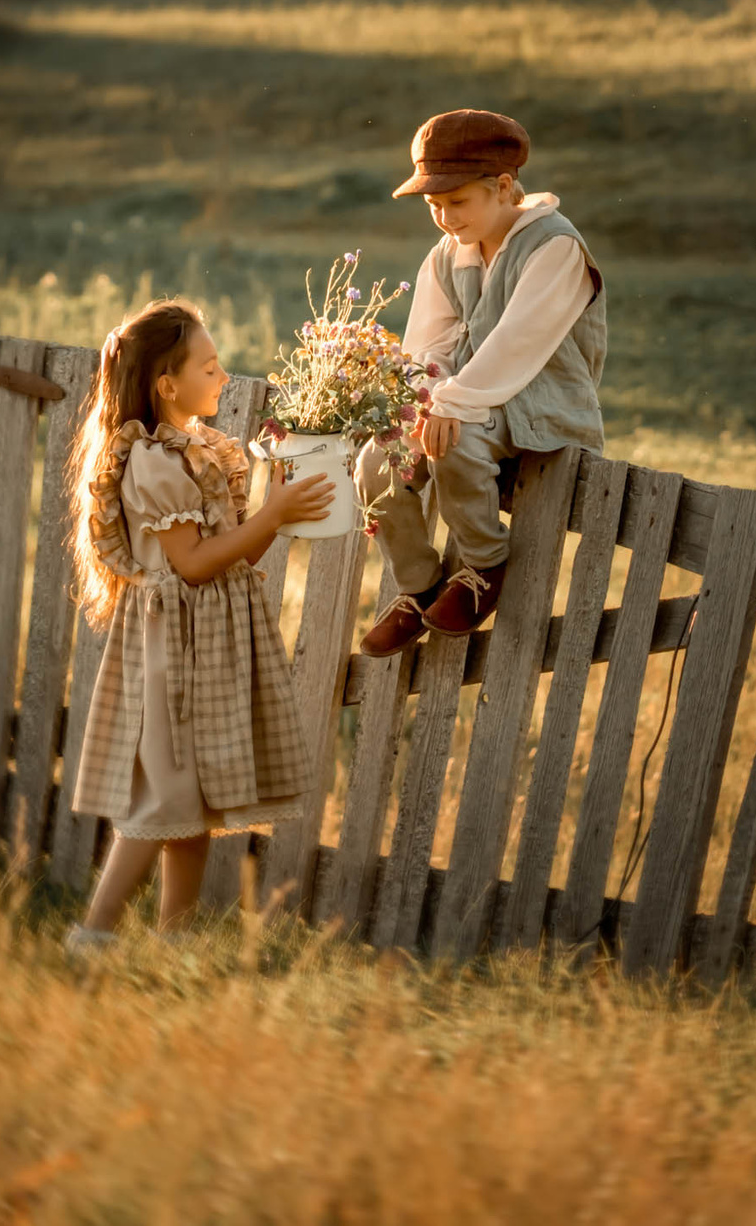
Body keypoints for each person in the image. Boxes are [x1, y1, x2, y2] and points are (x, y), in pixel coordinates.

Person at [60, 298, 335, 957]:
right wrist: (271, 514)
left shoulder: (202, 451)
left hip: (209, 639)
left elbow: (234, 552)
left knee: (193, 807)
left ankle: (173, 945)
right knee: (164, 800)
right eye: (209, 367)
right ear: (167, 383)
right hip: (173, 649)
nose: (223, 376)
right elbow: (189, 566)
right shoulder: (154, 462)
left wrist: (278, 508)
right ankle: (93, 937)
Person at [355, 109, 606, 658]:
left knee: (455, 441)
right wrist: (421, 400)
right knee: (378, 462)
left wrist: (450, 404)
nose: (444, 217)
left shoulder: (552, 246)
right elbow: (429, 345)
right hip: (466, 400)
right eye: (433, 206)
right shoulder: (449, 253)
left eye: (457, 202)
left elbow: (517, 344)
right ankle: (422, 585)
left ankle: (482, 565)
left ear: (504, 187)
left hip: (539, 406)